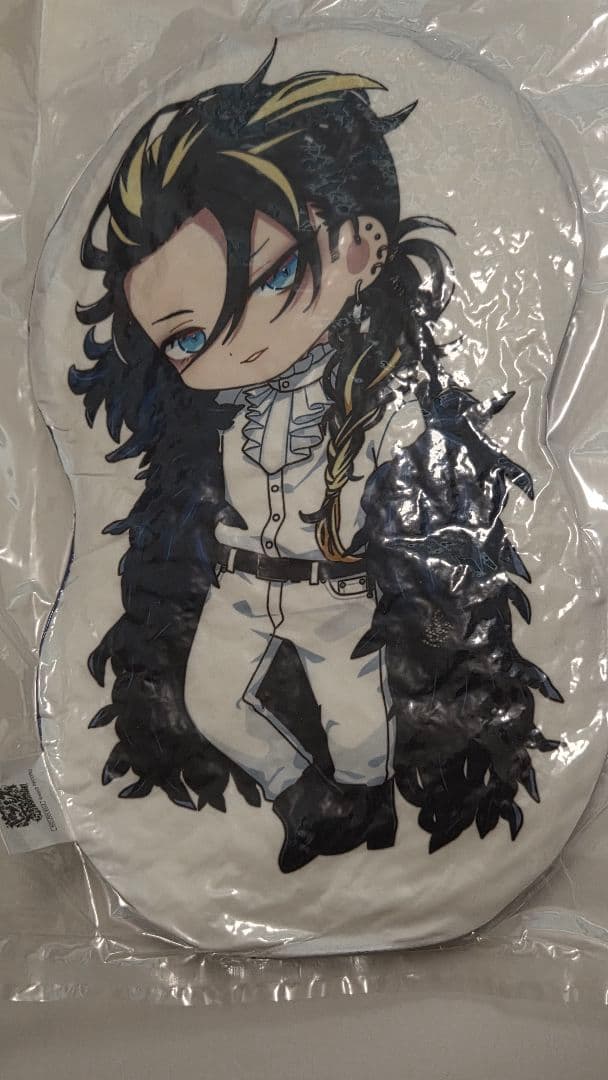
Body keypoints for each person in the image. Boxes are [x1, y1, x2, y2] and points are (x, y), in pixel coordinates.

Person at [71, 44, 561, 873]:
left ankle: (365, 812)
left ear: (359, 250)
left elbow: (418, 468)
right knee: (211, 701)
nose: (237, 344)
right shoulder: (221, 411)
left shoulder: (374, 389)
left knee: (359, 720)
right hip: (238, 584)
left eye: (271, 277)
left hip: (333, 591)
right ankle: (307, 799)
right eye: (187, 339)